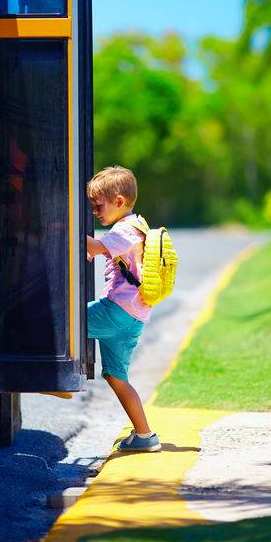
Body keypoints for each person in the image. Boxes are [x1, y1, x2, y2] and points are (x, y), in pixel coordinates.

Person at [86, 165, 161, 452]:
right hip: (133, 317)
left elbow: (97, 248)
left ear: (118, 202)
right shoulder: (138, 225)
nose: (94, 211)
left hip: (117, 311)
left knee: (67, 322)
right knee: (116, 376)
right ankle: (145, 435)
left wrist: (64, 229)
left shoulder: (125, 229)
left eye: (98, 205)